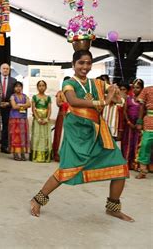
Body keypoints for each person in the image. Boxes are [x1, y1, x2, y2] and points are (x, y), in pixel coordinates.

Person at [29, 50, 133, 222]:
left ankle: (113, 207)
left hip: (98, 132)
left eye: (88, 63)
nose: (85, 67)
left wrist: (116, 92)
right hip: (77, 132)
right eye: (81, 63)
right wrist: (102, 101)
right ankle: (38, 199)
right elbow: (73, 101)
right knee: (67, 169)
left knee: (120, 167)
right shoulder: (69, 83)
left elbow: (120, 98)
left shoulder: (97, 83)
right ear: (73, 64)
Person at [121, 79, 143, 170]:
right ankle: (126, 162)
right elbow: (125, 111)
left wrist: (139, 122)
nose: (135, 89)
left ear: (142, 88)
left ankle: (136, 164)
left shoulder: (143, 100)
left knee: (137, 143)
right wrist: (129, 122)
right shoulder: (128, 98)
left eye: (137, 88)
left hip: (139, 125)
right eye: (133, 87)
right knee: (128, 142)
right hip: (129, 125)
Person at [0, 63, 17, 153]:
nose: (5, 70)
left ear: (9, 70)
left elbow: (14, 94)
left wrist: (8, 103)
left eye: (7, 69)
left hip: (8, 106)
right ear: (0, 70)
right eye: (3, 68)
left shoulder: (13, 80)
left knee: (6, 126)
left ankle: (4, 146)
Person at [31, 80, 52, 162]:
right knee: (37, 136)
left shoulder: (48, 98)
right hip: (37, 120)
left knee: (45, 136)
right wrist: (38, 119)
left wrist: (47, 118)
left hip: (46, 120)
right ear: (37, 87)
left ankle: (45, 156)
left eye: (43, 85)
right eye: (39, 85)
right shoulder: (34, 97)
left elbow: (49, 109)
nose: (41, 87)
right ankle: (36, 156)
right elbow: (33, 109)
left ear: (46, 87)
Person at [9, 81, 31, 161]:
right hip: (14, 118)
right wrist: (24, 105)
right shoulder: (12, 96)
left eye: (20, 86)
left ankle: (22, 153)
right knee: (15, 136)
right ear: (14, 88)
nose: (18, 88)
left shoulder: (25, 96)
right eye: (16, 86)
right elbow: (14, 106)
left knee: (23, 136)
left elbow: (29, 104)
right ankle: (15, 153)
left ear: (22, 87)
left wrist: (20, 105)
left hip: (23, 118)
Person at [135, 86, 153, 179]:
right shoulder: (147, 89)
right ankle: (143, 170)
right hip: (149, 121)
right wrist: (139, 121)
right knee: (145, 145)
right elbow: (141, 106)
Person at [52, 76, 70, 162]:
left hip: (72, 116)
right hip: (62, 116)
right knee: (60, 134)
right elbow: (58, 103)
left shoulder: (75, 93)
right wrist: (67, 103)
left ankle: (68, 154)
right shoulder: (60, 93)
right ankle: (57, 154)